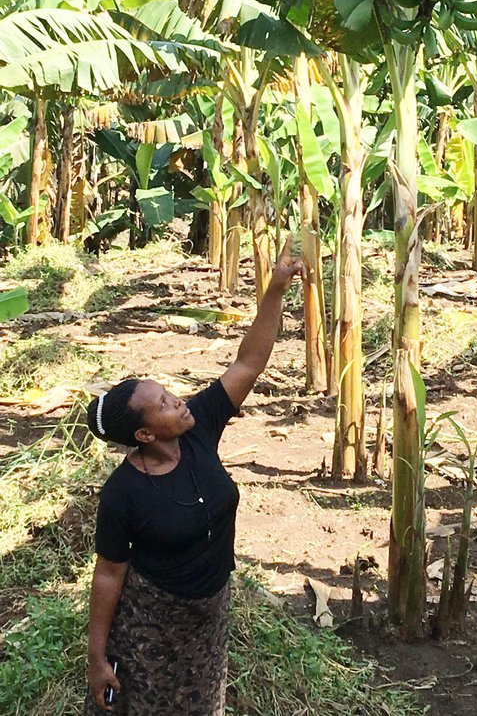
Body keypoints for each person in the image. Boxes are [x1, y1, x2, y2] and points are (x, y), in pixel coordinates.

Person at [84, 236, 303, 715]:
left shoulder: (199, 425)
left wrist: (275, 290)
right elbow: (108, 575)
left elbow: (248, 362)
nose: (178, 400)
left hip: (209, 615)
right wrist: (96, 657)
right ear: (143, 435)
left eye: (171, 393)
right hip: (150, 626)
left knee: (203, 704)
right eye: (162, 403)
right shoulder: (123, 494)